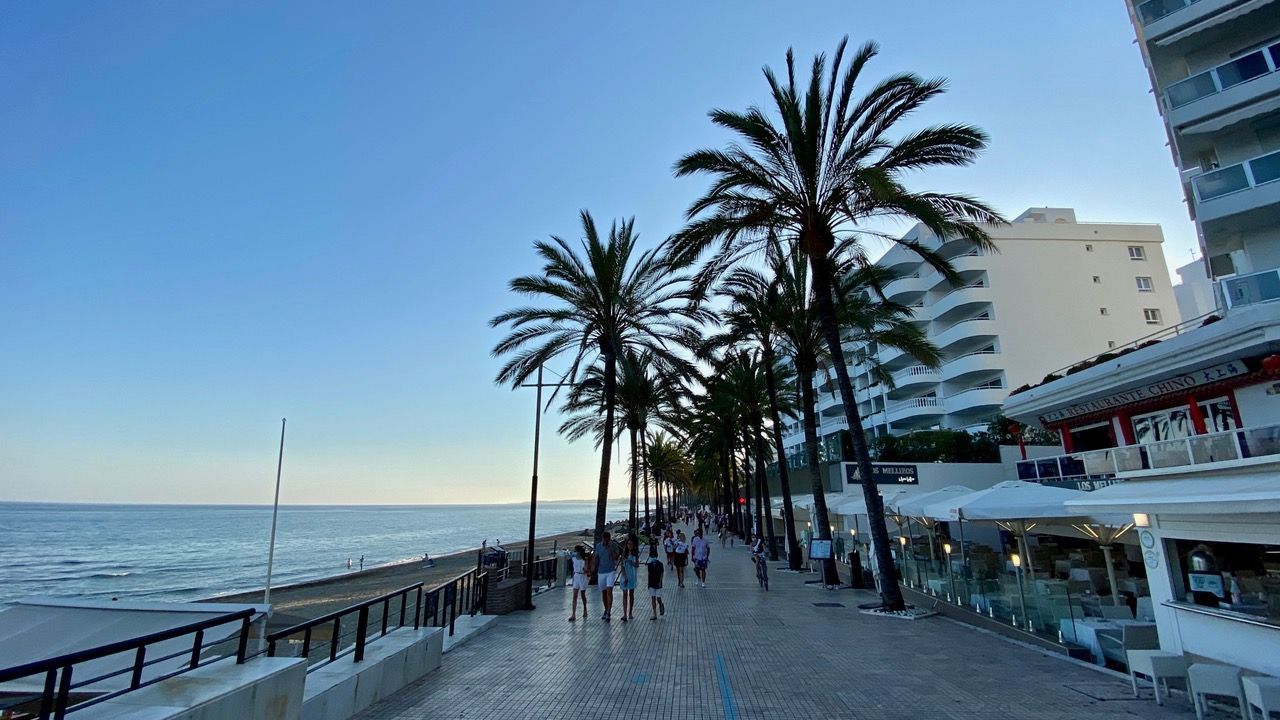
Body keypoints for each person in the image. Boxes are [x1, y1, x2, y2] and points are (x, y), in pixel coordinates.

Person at [592, 531, 621, 622]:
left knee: (609, 591)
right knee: (604, 592)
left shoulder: (613, 546)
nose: (605, 541)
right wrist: (593, 567)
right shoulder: (599, 546)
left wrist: (609, 549)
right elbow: (596, 557)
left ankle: (609, 611)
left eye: (607, 539)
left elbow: (616, 557)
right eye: (604, 539)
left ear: (609, 539)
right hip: (601, 572)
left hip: (610, 571)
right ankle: (606, 609)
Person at [619, 537, 639, 622]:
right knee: (624, 594)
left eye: (631, 544)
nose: (630, 546)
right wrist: (625, 577)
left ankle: (630, 612)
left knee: (631, 594)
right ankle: (624, 614)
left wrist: (632, 562)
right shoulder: (624, 554)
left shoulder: (635, 554)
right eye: (628, 544)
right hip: (625, 576)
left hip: (632, 576)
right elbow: (622, 567)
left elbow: (637, 565)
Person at [569, 545, 588, 621]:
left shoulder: (584, 560)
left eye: (576, 551)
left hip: (582, 576)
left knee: (583, 594)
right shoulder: (574, 558)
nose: (575, 552)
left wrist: (585, 569)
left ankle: (585, 609)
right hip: (576, 575)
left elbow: (586, 569)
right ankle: (573, 614)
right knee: (575, 595)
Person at [646, 545, 665, 620]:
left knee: (658, 598)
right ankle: (654, 613)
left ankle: (661, 604)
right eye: (652, 556)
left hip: (658, 583)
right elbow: (649, 574)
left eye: (654, 556)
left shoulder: (660, 564)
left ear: (656, 556)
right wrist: (648, 584)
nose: (653, 557)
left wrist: (660, 581)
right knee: (653, 598)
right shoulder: (649, 565)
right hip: (651, 583)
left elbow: (662, 573)